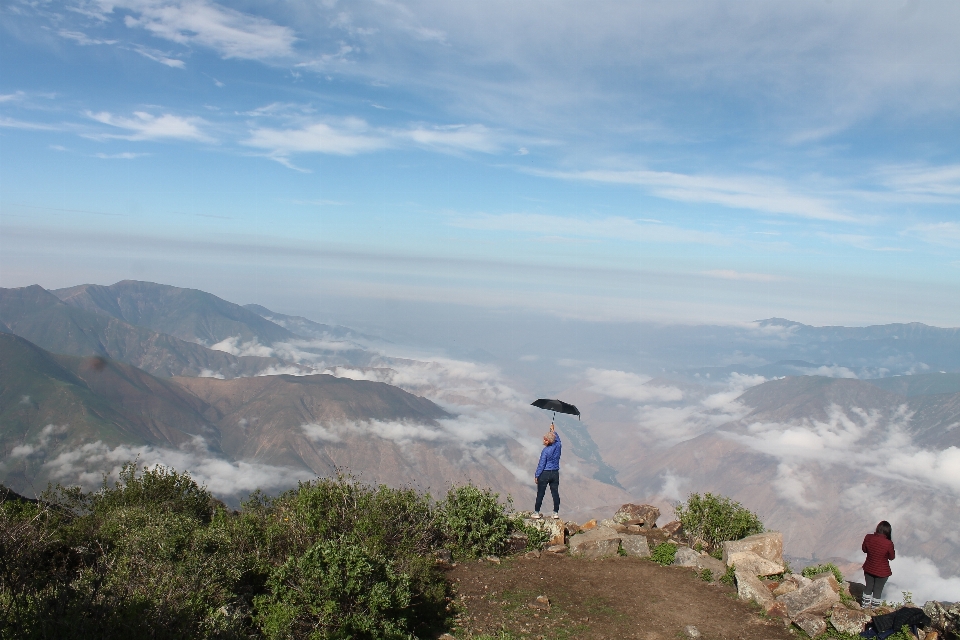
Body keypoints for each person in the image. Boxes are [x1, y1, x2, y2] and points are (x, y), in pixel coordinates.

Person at [862, 521, 895, 608]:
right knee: (877, 591)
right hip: (882, 572)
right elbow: (891, 557)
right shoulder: (888, 543)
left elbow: (864, 549)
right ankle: (874, 611)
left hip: (869, 568)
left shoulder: (868, 537)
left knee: (868, 588)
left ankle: (864, 608)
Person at [532, 421, 561, 520]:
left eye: (545, 439)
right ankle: (555, 513)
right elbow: (558, 441)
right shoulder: (558, 447)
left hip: (545, 473)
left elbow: (541, 465)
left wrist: (537, 475)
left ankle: (536, 512)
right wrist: (554, 431)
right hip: (555, 473)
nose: (543, 440)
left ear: (548, 441)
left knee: (540, 493)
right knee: (555, 493)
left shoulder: (545, 451)